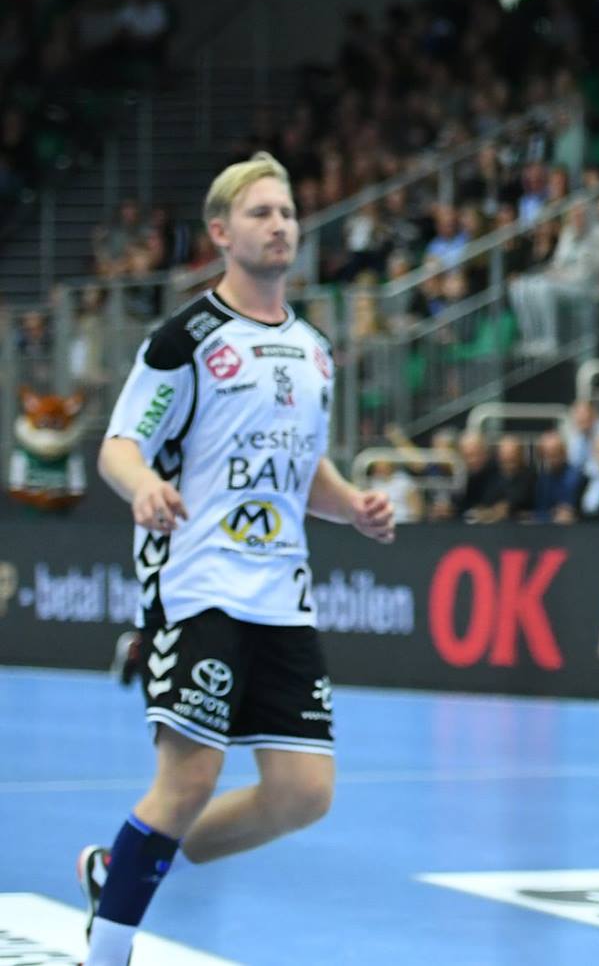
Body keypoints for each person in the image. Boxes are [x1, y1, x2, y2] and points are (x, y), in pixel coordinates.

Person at [78, 153, 396, 966]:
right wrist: (145, 486)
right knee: (188, 782)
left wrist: (352, 505)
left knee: (302, 795)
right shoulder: (185, 340)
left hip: (282, 593)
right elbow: (119, 446)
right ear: (221, 233)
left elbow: (306, 468)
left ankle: (124, 868)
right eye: (260, 213)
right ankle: (106, 952)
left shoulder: (313, 349)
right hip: (200, 586)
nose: (279, 225)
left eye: (286, 212)